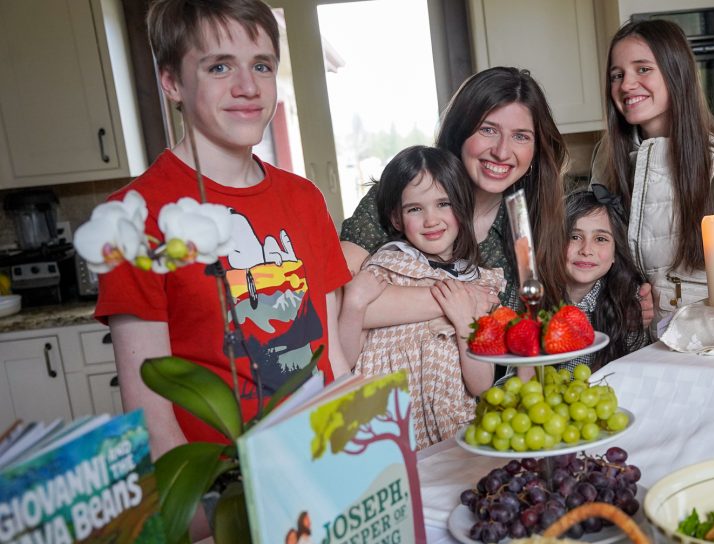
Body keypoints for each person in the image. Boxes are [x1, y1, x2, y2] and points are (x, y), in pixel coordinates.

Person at [93, 0, 352, 458]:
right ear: (171, 82)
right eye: (219, 67)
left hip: (323, 464)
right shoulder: (134, 218)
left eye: (262, 65)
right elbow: (152, 418)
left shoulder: (305, 198)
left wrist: (363, 455)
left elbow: (332, 357)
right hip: (227, 497)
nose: (248, 87)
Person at [339, 67, 569, 317]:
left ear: (536, 150)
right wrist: (463, 298)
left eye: (521, 136)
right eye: (488, 130)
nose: (502, 152)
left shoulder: (535, 220)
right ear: (460, 132)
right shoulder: (402, 195)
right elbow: (333, 298)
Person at [593, 19, 714, 335]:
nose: (626, 84)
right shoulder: (609, 165)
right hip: (642, 345)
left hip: (712, 343)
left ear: (676, 73)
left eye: (643, 69)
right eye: (617, 75)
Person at [345, 146, 504, 450]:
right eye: (415, 209)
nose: (431, 220)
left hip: (453, 434)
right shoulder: (383, 270)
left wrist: (464, 324)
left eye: (443, 204)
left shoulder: (478, 284)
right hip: (386, 434)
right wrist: (354, 304)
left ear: (462, 208)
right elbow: (346, 359)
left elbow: (481, 385)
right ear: (396, 218)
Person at [559, 186, 649, 372]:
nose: (586, 250)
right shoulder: (531, 296)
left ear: (615, 252)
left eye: (600, 239)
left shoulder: (625, 302)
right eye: (575, 236)